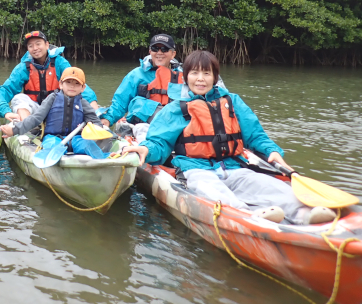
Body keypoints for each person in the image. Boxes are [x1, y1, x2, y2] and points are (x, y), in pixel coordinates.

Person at [122, 50, 336, 225]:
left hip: (233, 166)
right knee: (213, 192)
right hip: (196, 169)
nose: (200, 79)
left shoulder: (231, 102)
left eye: (207, 74)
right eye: (195, 73)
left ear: (215, 77)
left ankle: (303, 214)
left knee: (270, 186)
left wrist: (272, 152)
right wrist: (146, 149)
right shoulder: (176, 109)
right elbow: (159, 143)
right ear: (186, 76)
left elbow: (256, 136)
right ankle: (248, 217)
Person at [0, 67, 111, 158]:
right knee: (50, 147)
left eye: (77, 83)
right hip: (53, 138)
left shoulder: (84, 103)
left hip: (77, 139)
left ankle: (104, 160)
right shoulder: (52, 99)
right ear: (61, 84)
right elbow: (36, 118)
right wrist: (14, 130)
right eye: (68, 82)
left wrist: (89, 129)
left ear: (83, 88)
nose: (72, 86)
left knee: (89, 145)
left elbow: (96, 123)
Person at [99, 34, 184, 141]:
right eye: (155, 48)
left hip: (173, 123)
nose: (159, 52)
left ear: (173, 54)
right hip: (143, 124)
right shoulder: (135, 75)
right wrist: (107, 119)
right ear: (150, 51)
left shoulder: (184, 77)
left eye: (165, 49)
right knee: (138, 103)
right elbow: (120, 103)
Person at [0, 31, 99, 121]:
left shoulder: (59, 62)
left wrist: (93, 105)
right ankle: (26, 129)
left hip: (57, 108)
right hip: (35, 110)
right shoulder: (23, 67)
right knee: (18, 98)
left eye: (38, 44)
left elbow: (77, 83)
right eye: (30, 46)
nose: (35, 48)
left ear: (47, 45)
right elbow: (8, 88)